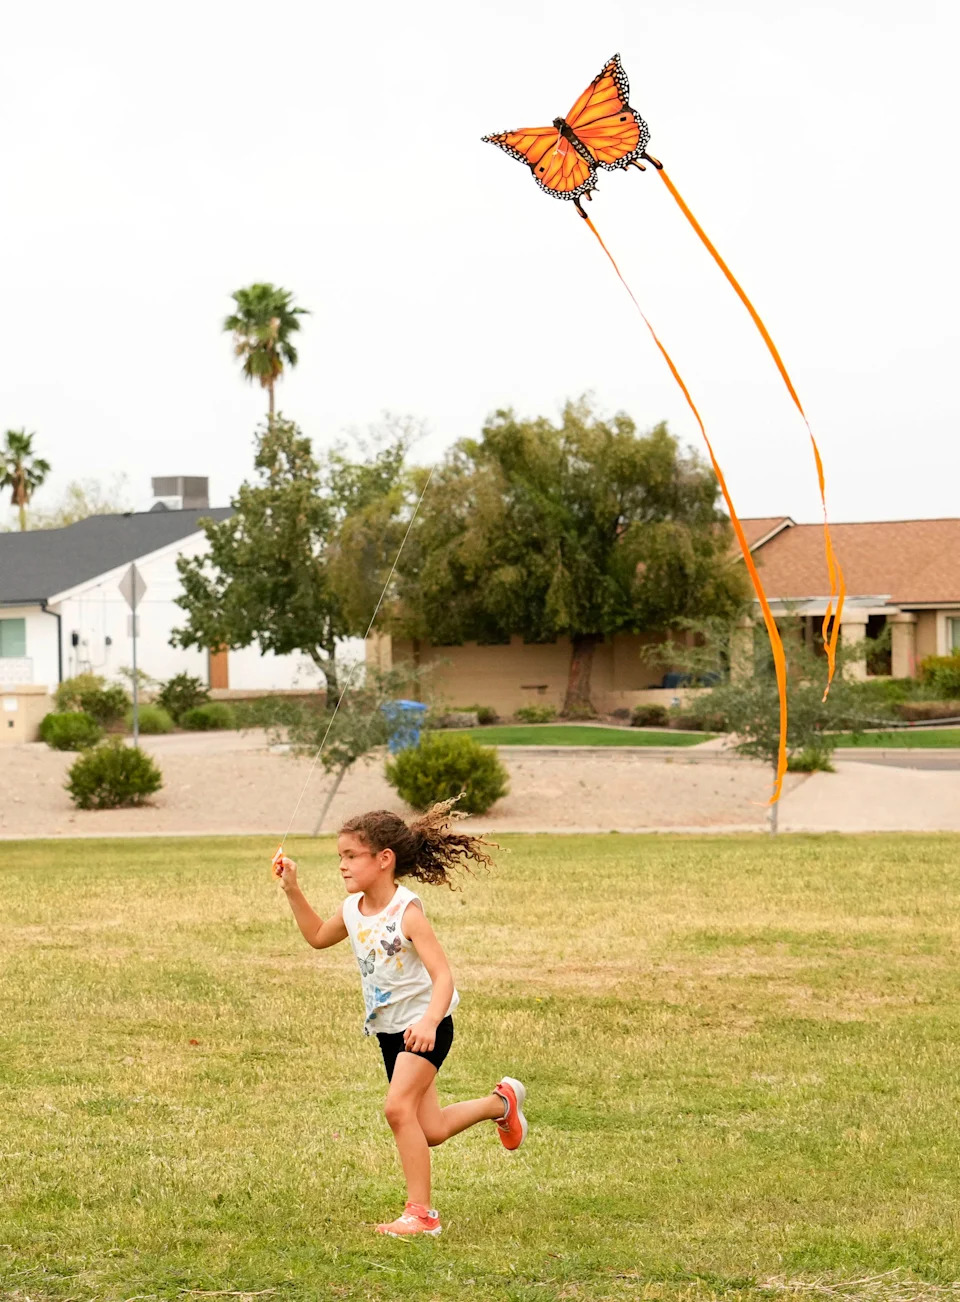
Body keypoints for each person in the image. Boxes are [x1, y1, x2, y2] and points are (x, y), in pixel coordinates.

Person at [274, 796, 528, 1238]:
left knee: (397, 1109)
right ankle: (501, 1103)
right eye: (340, 857)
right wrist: (292, 889)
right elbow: (316, 936)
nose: (342, 865)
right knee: (430, 1130)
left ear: (384, 859)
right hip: (390, 1033)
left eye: (351, 856)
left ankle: (421, 1215)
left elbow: (443, 976)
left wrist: (429, 1022)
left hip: (426, 1027)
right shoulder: (352, 910)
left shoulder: (406, 911)